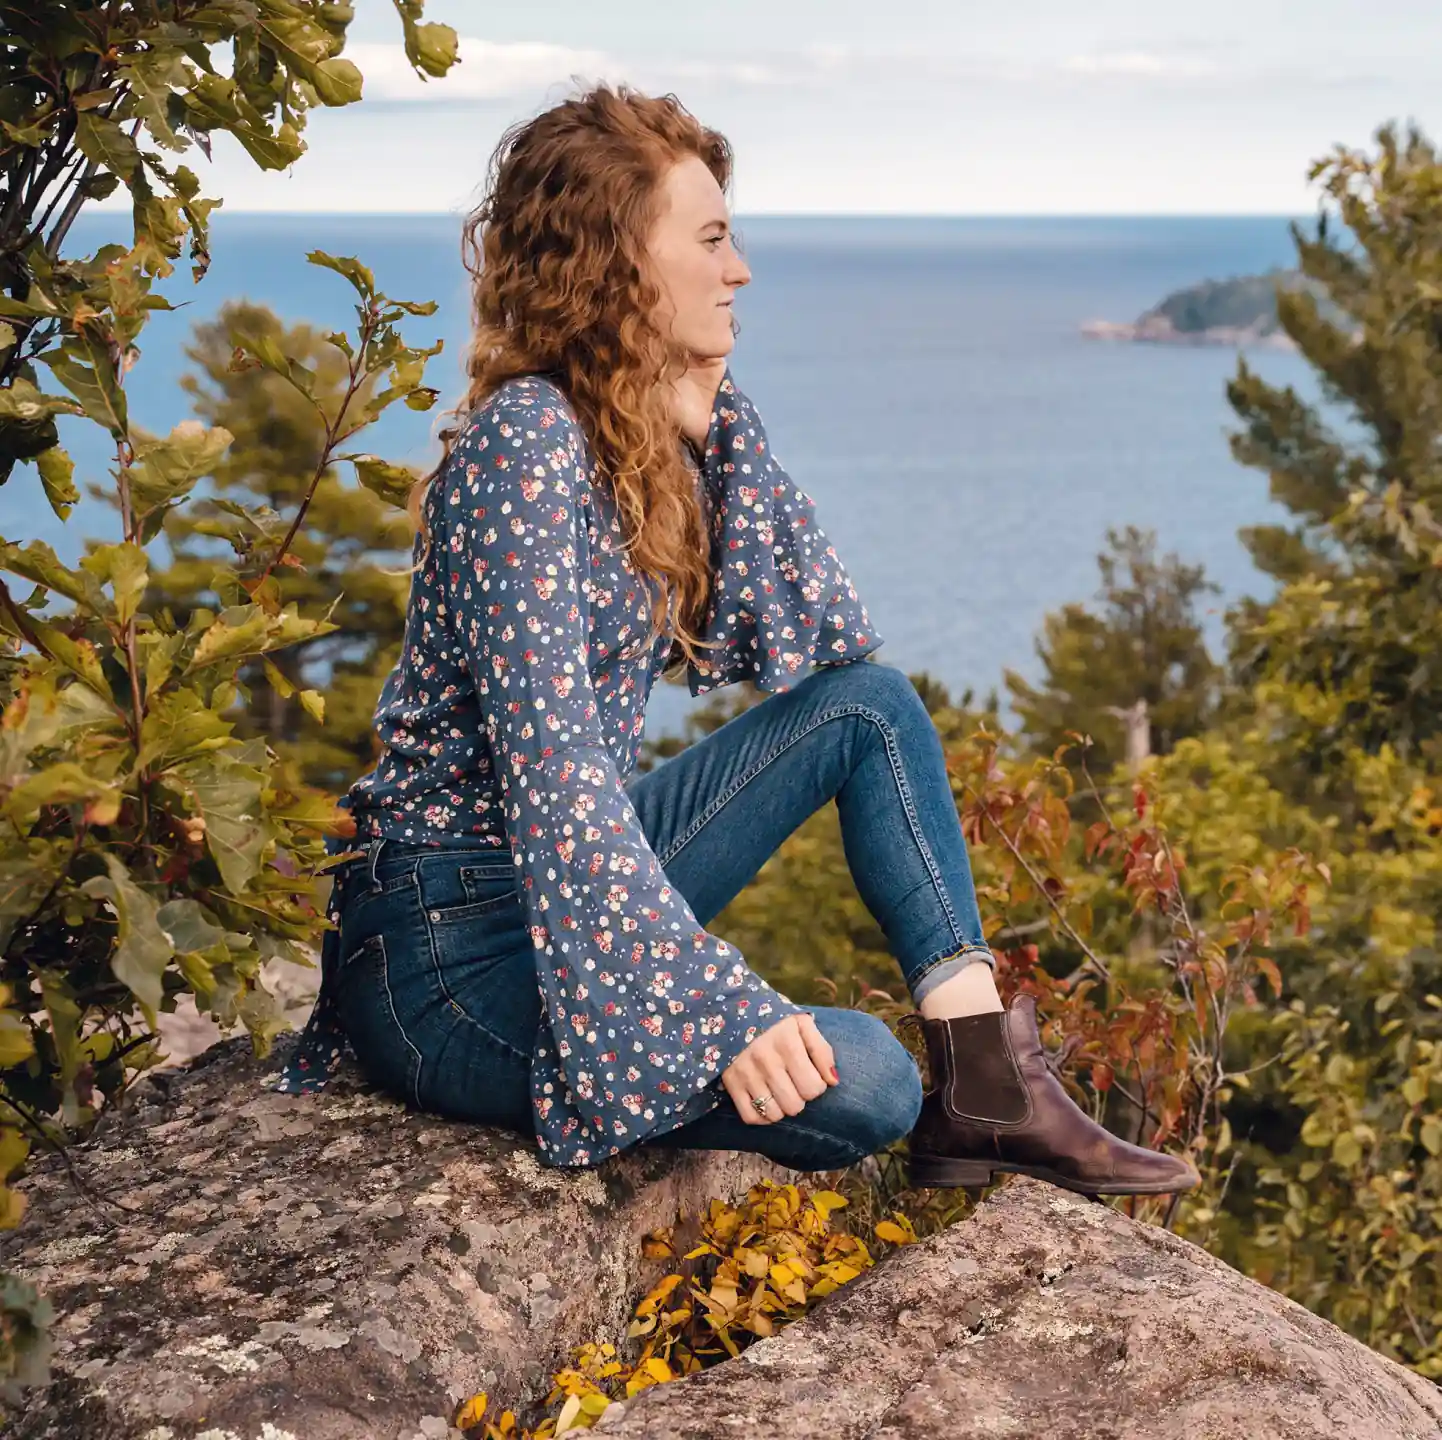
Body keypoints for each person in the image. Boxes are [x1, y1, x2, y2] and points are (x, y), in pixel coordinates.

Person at [278, 82, 1199, 1199]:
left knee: (870, 707)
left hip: (560, 891)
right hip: (447, 956)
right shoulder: (523, 445)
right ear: (618, 261)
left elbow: (808, 633)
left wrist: (714, 430)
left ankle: (989, 1090)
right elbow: (554, 778)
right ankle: (932, 1094)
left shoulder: (624, 434)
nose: (740, 268)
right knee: (859, 1079)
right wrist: (720, 1011)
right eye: (711, 239)